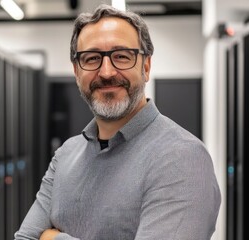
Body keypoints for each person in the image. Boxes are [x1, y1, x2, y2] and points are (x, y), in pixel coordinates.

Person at [14, 4, 221, 240]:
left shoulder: (182, 157)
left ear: (146, 66)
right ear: (76, 71)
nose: (106, 72)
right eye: (91, 58)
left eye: (121, 56)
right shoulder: (65, 155)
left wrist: (52, 238)